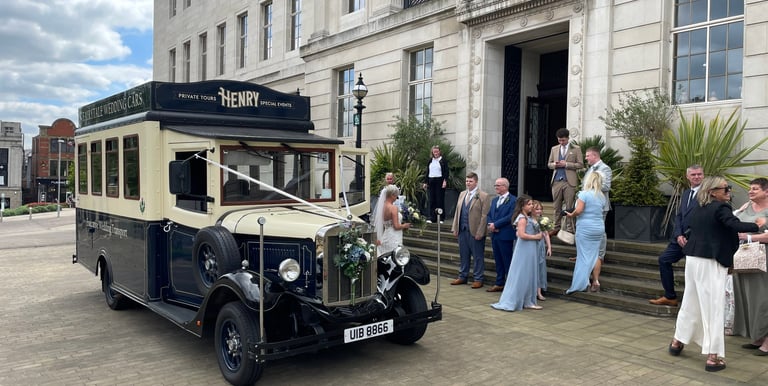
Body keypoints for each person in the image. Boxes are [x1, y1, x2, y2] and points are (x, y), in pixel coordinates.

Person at [668, 177, 762, 373]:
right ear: (712, 192)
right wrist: (758, 224)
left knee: (691, 301)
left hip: (693, 259)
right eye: (725, 189)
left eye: (729, 188)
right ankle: (713, 356)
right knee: (713, 306)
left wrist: (736, 213)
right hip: (710, 260)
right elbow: (733, 225)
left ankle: (677, 342)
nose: (729, 191)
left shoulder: (698, 207)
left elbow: (713, 225)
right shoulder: (721, 208)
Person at [650, 165, 704, 306]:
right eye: (693, 175)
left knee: (695, 269)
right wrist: (678, 234)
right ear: (688, 177)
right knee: (664, 260)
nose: (697, 177)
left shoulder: (707, 194)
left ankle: (696, 301)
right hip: (679, 239)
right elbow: (679, 216)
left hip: (696, 239)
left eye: (699, 174)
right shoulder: (686, 193)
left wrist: (688, 235)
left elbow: (704, 218)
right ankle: (670, 296)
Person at [731, 178, 768, 355]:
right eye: (750, 189)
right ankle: (758, 336)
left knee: (763, 299)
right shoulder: (746, 207)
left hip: (763, 259)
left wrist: (748, 237)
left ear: (766, 191)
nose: (751, 191)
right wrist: (739, 210)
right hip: (744, 258)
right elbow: (733, 221)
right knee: (747, 297)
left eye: (755, 189)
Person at [491, 195, 545, 311]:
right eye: (529, 204)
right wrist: (536, 236)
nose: (531, 206)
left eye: (531, 204)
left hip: (530, 247)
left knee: (529, 272)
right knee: (523, 272)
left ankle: (527, 299)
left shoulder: (527, 217)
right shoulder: (522, 218)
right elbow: (521, 235)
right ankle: (523, 300)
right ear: (523, 206)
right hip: (525, 247)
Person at [564, 172, 605, 294]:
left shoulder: (584, 194)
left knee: (583, 255)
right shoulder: (601, 196)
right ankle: (595, 281)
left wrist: (571, 214)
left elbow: (580, 210)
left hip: (585, 227)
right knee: (595, 254)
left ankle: (582, 283)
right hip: (598, 227)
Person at [450, 172, 490, 288]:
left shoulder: (483, 196)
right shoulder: (462, 194)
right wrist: (455, 228)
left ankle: (478, 278)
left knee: (477, 256)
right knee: (463, 254)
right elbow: (458, 212)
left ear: (476, 182)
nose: (468, 183)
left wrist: (480, 232)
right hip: (462, 229)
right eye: (467, 181)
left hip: (475, 231)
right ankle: (463, 276)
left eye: (471, 181)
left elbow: (484, 216)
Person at [581, 147, 612, 288]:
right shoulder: (590, 168)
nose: (586, 158)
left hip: (599, 205)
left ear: (594, 155)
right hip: (587, 205)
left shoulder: (604, 168)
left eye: (587, 156)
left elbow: (606, 186)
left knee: (601, 231)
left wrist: (590, 188)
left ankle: (600, 255)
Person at [547, 128, 583, 236]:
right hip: (557, 181)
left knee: (569, 206)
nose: (561, 142)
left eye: (563, 140)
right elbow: (549, 164)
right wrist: (555, 164)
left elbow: (580, 165)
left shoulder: (576, 149)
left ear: (568, 138)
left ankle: (570, 229)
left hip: (569, 182)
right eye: (559, 140)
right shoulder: (554, 149)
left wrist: (566, 164)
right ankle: (556, 228)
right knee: (556, 206)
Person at [485, 177, 517, 292]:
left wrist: (496, 225)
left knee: (507, 259)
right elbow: (489, 214)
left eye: (498, 185)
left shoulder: (513, 200)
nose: (496, 187)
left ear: (505, 186)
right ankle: (499, 282)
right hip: (495, 235)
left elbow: (510, 216)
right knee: (498, 259)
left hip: (505, 234)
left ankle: (510, 284)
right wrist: (490, 224)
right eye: (495, 185)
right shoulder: (494, 200)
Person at [373, 184, 411, 256]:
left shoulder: (382, 207)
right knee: (395, 256)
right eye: (396, 196)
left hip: (386, 235)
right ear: (392, 195)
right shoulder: (393, 208)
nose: (396, 198)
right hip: (394, 236)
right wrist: (405, 226)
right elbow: (396, 226)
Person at [424, 145, 449, 223]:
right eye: (434, 151)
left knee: (439, 200)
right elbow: (427, 172)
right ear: (432, 152)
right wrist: (425, 182)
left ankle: (441, 218)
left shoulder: (443, 160)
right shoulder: (430, 160)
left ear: (439, 151)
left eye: (437, 151)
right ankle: (432, 217)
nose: (436, 153)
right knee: (431, 200)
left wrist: (445, 181)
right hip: (431, 181)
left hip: (440, 181)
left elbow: (446, 172)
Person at [533, 200, 552, 300]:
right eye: (537, 209)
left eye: (540, 209)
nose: (539, 211)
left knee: (540, 269)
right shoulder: (529, 220)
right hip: (531, 245)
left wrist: (549, 247)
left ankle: (539, 292)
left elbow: (546, 234)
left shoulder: (543, 220)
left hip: (540, 246)